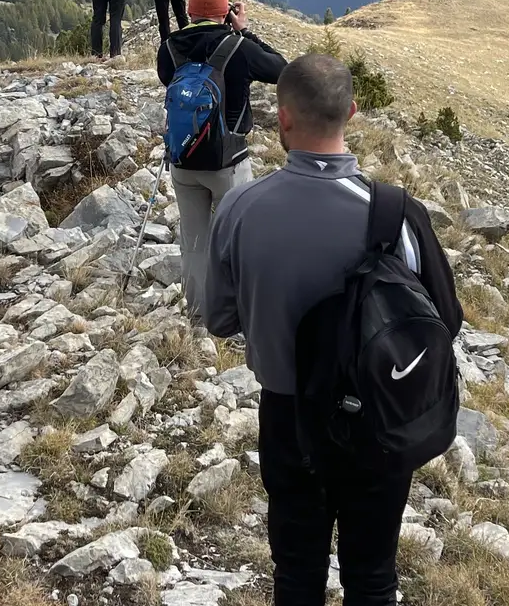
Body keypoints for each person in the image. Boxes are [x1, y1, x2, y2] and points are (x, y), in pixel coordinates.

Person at [202, 53, 458, 606]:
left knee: (297, 575)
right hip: (379, 417)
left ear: (282, 116)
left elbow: (219, 319)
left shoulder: (240, 207)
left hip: (288, 417)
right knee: (372, 576)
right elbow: (444, 322)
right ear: (353, 112)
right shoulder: (396, 214)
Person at [158, 0, 286, 316]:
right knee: (238, 239)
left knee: (194, 241)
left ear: (189, 10)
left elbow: (169, 82)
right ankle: (238, 312)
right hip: (228, 161)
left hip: (183, 158)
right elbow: (281, 69)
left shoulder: (169, 48)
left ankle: (199, 314)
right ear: (225, 11)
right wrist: (244, 31)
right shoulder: (238, 47)